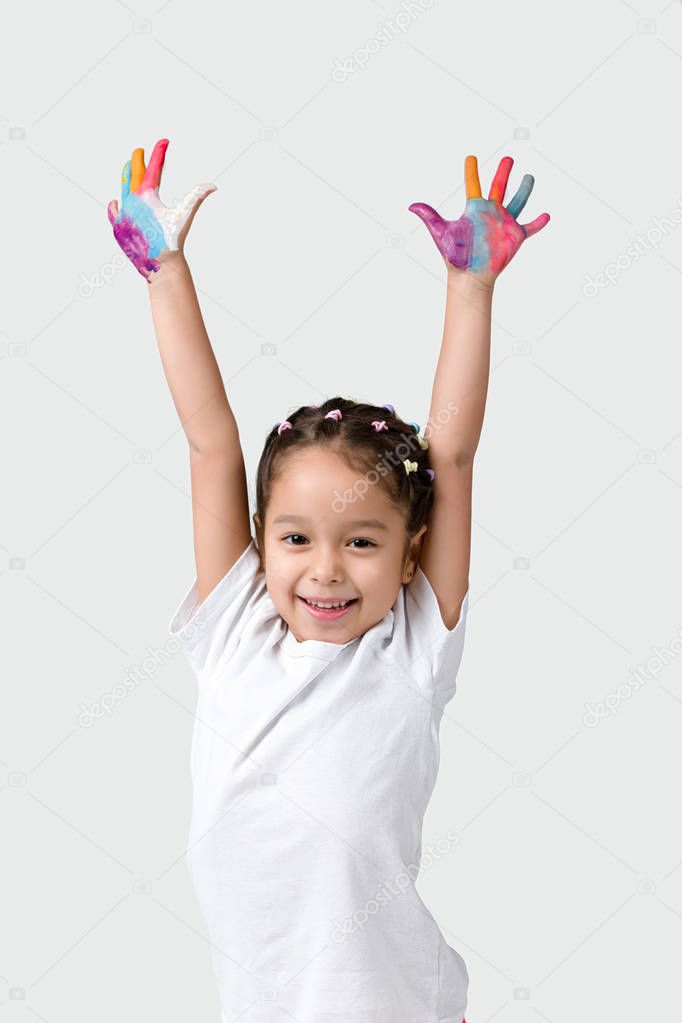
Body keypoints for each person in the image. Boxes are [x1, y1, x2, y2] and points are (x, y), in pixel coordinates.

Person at [108, 139, 549, 1023]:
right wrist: (163, 274)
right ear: (260, 541)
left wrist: (471, 290)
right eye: (298, 537)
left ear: (411, 551)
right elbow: (209, 441)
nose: (326, 567)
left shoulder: (413, 646)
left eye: (361, 541)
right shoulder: (234, 627)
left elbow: (451, 456)